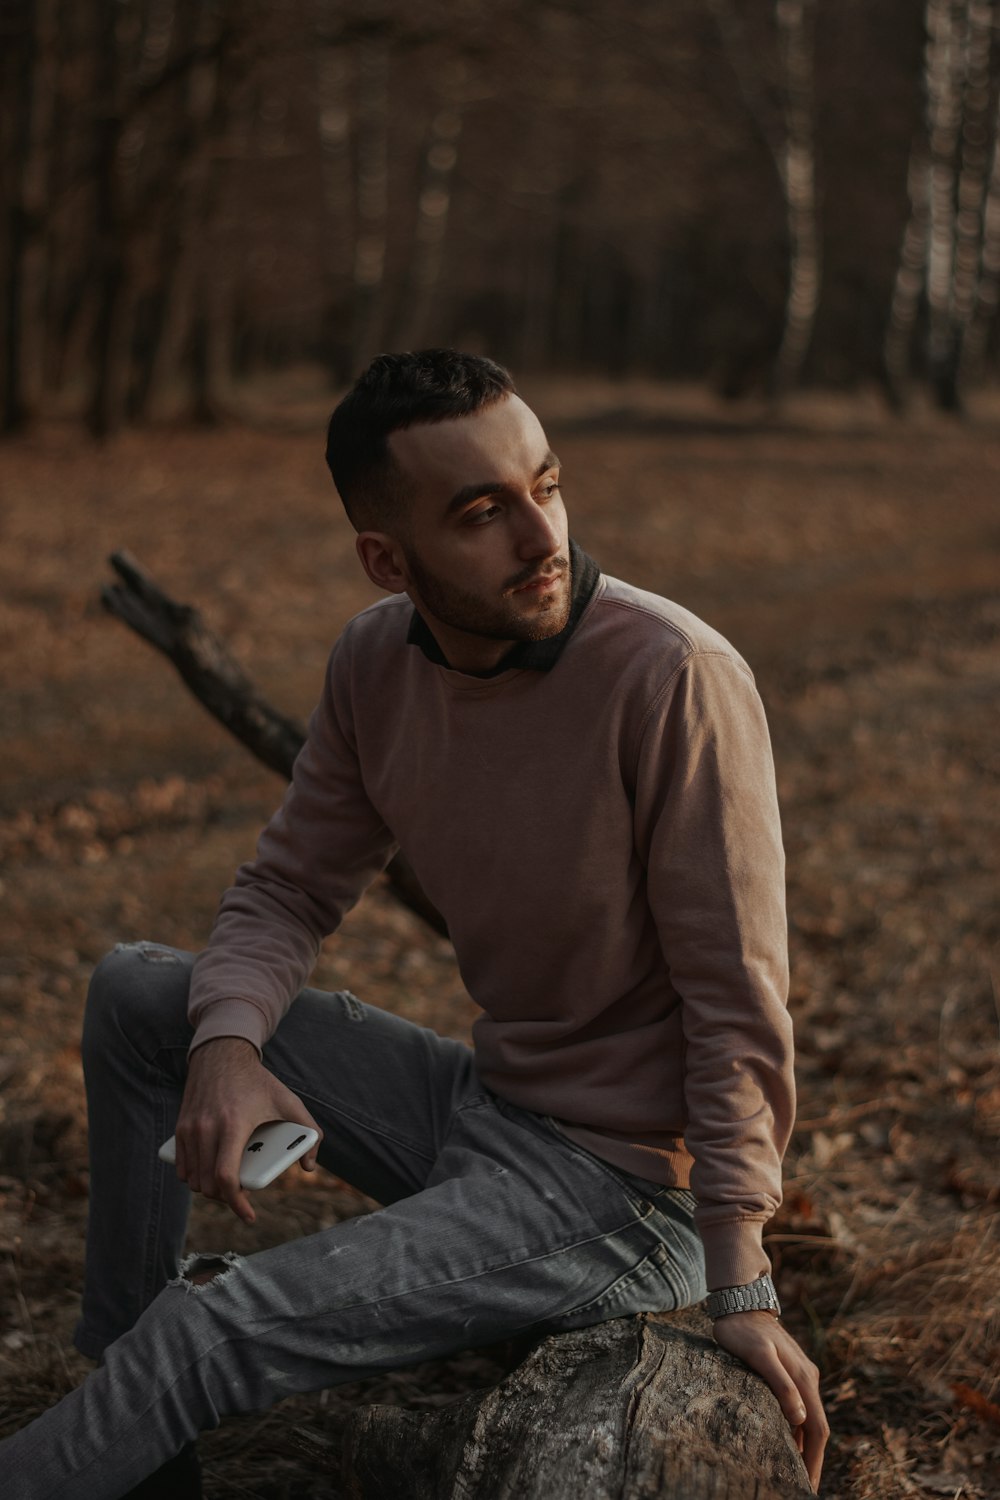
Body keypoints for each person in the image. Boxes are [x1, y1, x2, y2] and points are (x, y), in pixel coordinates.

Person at [2, 350, 828, 1497]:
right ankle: (127, 1403)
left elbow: (737, 999)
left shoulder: (671, 675)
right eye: (483, 513)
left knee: (221, 1327)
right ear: (387, 560)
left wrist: (740, 1278)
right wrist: (229, 1049)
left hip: (628, 1192)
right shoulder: (372, 662)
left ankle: (113, 1416)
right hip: (487, 1104)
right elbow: (288, 890)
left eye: (547, 485)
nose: (543, 538)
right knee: (144, 991)